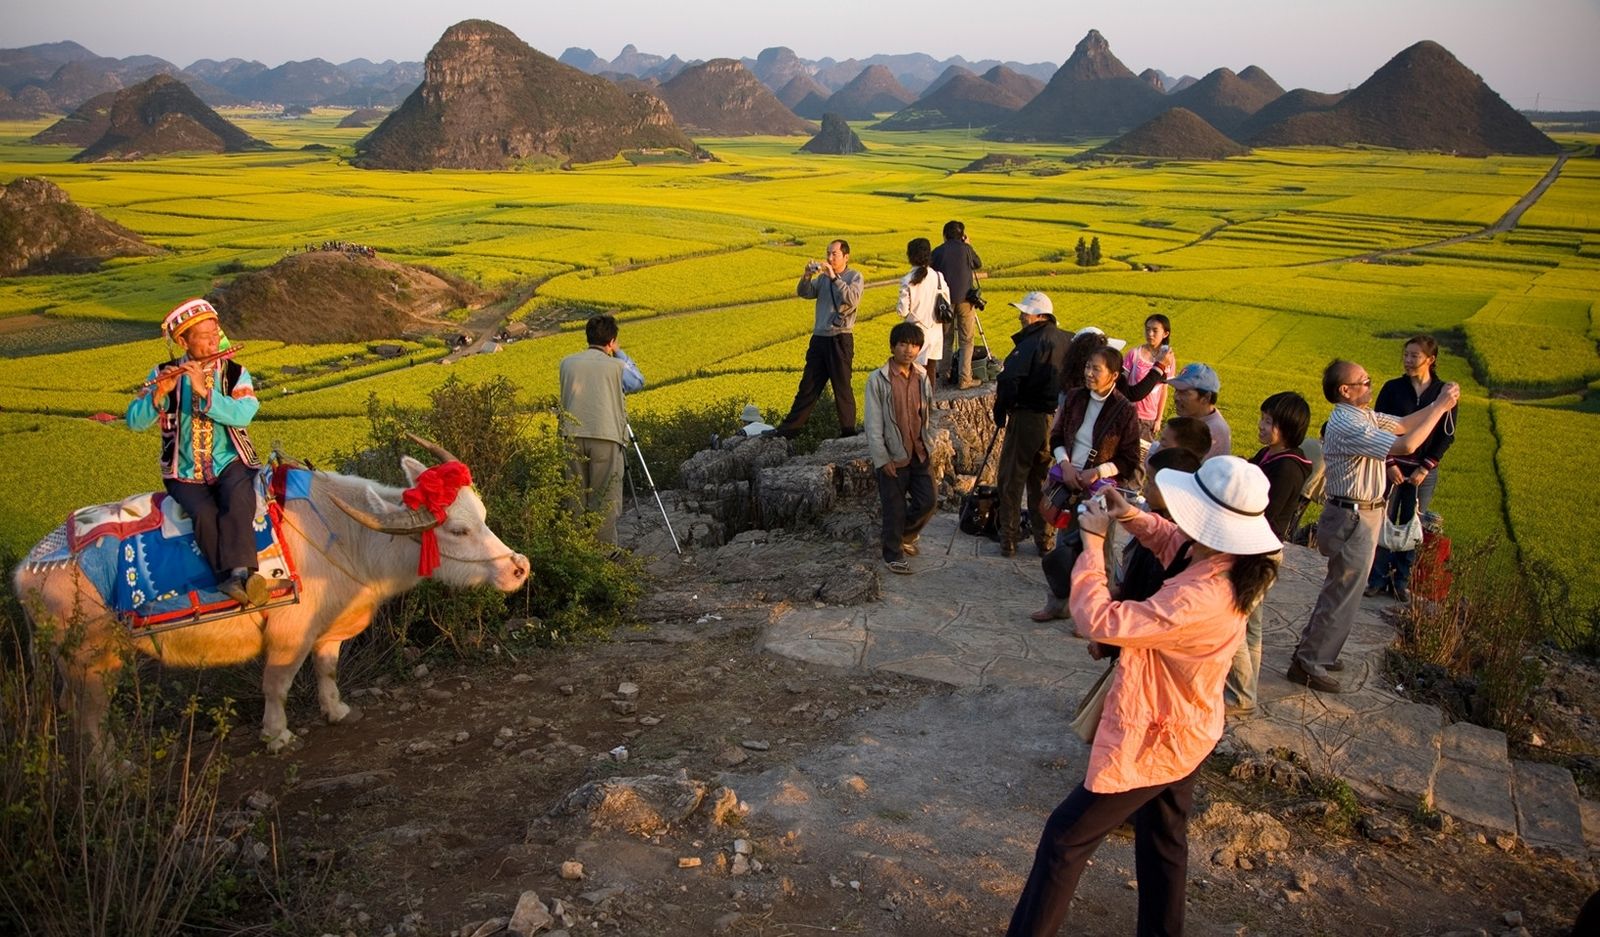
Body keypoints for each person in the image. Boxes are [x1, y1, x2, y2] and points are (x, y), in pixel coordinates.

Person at [1006, 456, 1283, 937]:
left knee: (1066, 838)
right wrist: (1131, 516)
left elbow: (1100, 621)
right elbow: (1175, 542)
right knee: (1163, 842)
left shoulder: (1198, 599)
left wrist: (1092, 545)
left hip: (1157, 735)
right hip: (1189, 727)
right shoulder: (1228, 563)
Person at [1288, 359, 1460, 693]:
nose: (1370, 386)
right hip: (1351, 516)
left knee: (1344, 592)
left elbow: (1404, 425)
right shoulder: (1346, 424)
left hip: (1362, 513)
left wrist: (1441, 405)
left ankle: (1320, 651)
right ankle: (1308, 663)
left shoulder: (1363, 415)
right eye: (1364, 382)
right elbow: (1406, 446)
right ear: (1345, 390)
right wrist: (1440, 406)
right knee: (1341, 593)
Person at [126, 298, 267, 606]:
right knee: (203, 514)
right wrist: (158, 395)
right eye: (204, 336)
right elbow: (134, 422)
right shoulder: (163, 373)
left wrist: (204, 390)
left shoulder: (234, 372)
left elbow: (244, 414)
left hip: (230, 461)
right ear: (183, 342)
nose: (213, 341)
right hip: (184, 471)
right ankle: (229, 580)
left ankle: (242, 573)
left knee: (238, 499)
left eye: (215, 333)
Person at [1031, 345, 1142, 621]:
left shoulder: (1125, 410)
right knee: (1063, 547)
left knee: (1098, 551)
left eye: (1096, 369)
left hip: (1099, 489)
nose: (1089, 373)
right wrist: (1065, 465)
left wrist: (1097, 472)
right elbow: (1057, 436)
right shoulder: (1074, 397)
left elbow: (1129, 458)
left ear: (1113, 375)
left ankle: (1096, 614)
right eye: (1088, 367)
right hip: (1069, 482)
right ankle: (1059, 604)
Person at [1225, 391, 1312, 715]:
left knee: (1237, 622)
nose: (1261, 425)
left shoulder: (1287, 468)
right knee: (1250, 625)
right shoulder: (1270, 454)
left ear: (1287, 428)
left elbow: (1264, 512)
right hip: (1254, 548)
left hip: (1259, 553)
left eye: (1268, 422)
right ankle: (1245, 688)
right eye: (1262, 418)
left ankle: (1242, 695)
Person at [1367, 335, 1457, 599]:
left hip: (1422, 473)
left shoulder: (1444, 394)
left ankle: (1401, 582)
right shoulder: (1392, 388)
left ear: (1430, 359)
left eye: (1414, 356)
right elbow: (1378, 427)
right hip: (1392, 468)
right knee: (1383, 520)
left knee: (1412, 524)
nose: (1408, 360)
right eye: (1406, 355)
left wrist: (1425, 468)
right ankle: (1376, 578)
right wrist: (1389, 463)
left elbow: (1446, 435)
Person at [992, 292, 1071, 557]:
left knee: (1011, 480)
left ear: (1039, 316)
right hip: (1057, 420)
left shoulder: (1030, 342)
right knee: (1043, 482)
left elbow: (1008, 379)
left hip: (1027, 417)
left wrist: (1001, 409)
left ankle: (1009, 539)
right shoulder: (1068, 341)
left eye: (1025, 313)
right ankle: (1044, 540)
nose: (1020, 317)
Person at [559, 314, 646, 545]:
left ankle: (576, 547)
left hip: (571, 434)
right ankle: (603, 551)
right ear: (611, 340)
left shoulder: (567, 363)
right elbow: (638, 382)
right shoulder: (616, 366)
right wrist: (619, 352)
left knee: (575, 494)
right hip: (605, 436)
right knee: (604, 495)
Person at [769, 240, 864, 438]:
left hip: (840, 338)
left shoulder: (854, 276)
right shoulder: (821, 279)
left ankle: (848, 433)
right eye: (828, 253)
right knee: (808, 386)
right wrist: (806, 275)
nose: (829, 258)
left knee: (842, 388)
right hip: (819, 337)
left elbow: (852, 299)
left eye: (834, 254)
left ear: (846, 257)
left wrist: (834, 278)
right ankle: (788, 431)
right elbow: (804, 292)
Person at [865, 322, 937, 575]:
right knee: (894, 508)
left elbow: (928, 412)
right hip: (893, 455)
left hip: (919, 450)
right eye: (903, 344)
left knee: (928, 500)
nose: (909, 350)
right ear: (893, 346)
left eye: (914, 345)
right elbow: (873, 424)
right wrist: (882, 458)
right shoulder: (878, 379)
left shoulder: (922, 376)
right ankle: (893, 554)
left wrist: (929, 441)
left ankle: (904, 536)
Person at [931, 220, 983, 389]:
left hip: (944, 302)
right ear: (962, 235)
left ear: (945, 235)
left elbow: (930, 271)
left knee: (946, 339)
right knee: (966, 340)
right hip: (966, 300)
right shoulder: (966, 249)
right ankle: (964, 379)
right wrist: (968, 244)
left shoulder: (938, 251)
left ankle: (943, 377)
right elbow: (977, 264)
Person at [895, 237, 949, 372]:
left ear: (910, 256)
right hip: (935, 332)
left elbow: (902, 311)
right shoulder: (938, 277)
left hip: (914, 334)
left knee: (914, 373)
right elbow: (946, 302)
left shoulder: (907, 280)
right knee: (931, 371)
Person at [1124, 314, 1177, 441]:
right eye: (1147, 329)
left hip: (1149, 418)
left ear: (1165, 334)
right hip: (1129, 413)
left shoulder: (1168, 359)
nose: (1150, 334)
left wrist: (1158, 419)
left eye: (1155, 330)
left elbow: (1163, 390)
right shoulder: (1134, 354)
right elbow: (1122, 384)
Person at [1166, 363, 1230, 460]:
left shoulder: (1214, 432)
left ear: (1206, 397)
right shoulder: (1187, 417)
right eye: (1176, 390)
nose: (1176, 397)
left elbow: (1182, 465)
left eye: (1184, 392)